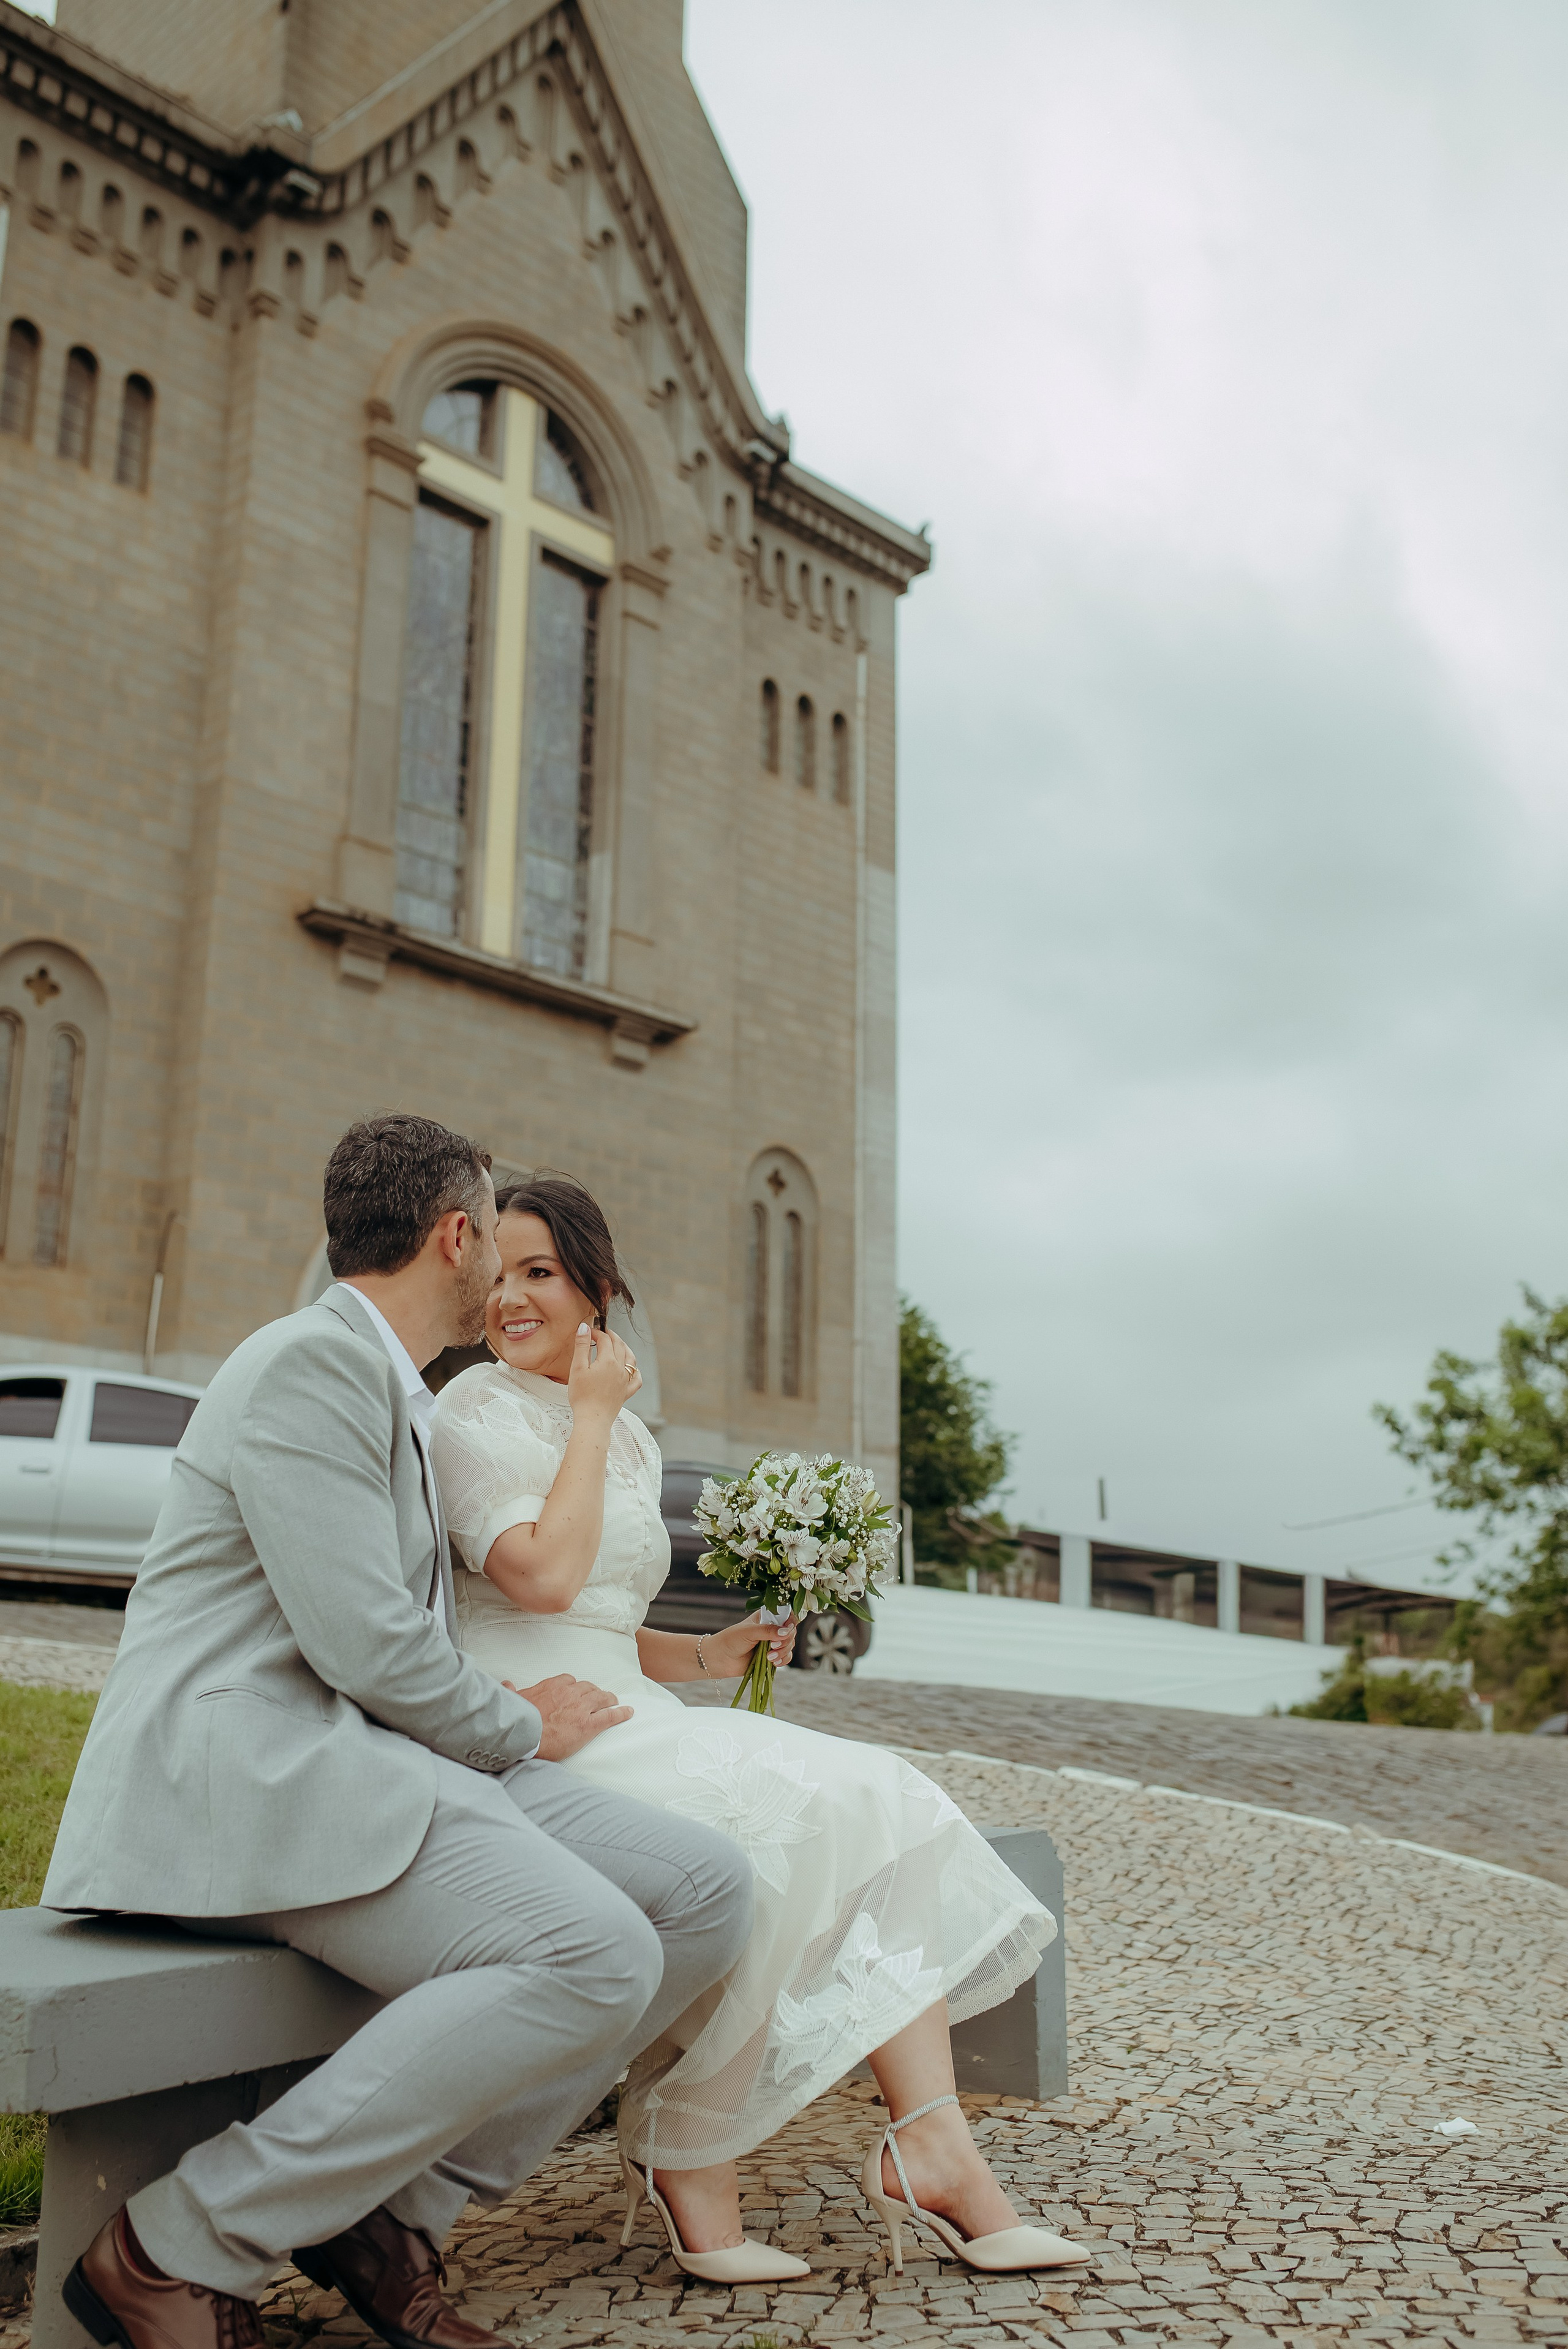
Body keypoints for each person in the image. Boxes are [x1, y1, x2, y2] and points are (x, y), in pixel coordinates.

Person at [42, 1116, 754, 2349]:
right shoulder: (306, 1363)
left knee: (701, 1889)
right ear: (457, 1234)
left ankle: (387, 2218)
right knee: (590, 1950)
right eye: (498, 1237)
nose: (505, 1267)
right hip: (248, 1771)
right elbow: (365, 1641)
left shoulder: (387, 1381)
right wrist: (516, 1723)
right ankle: (174, 2246)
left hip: (374, 1752)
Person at [430, 1175, 1091, 2281]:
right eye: (496, 1273)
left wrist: (710, 1655)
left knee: (882, 1794)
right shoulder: (473, 1415)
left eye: (538, 1270)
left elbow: (609, 1622)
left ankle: (932, 2145)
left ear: (595, 1285)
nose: (511, 1296)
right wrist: (591, 1416)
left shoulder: (632, 1443)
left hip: (632, 1709)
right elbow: (539, 1583)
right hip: (530, 1736)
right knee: (770, 1839)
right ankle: (699, 2157)